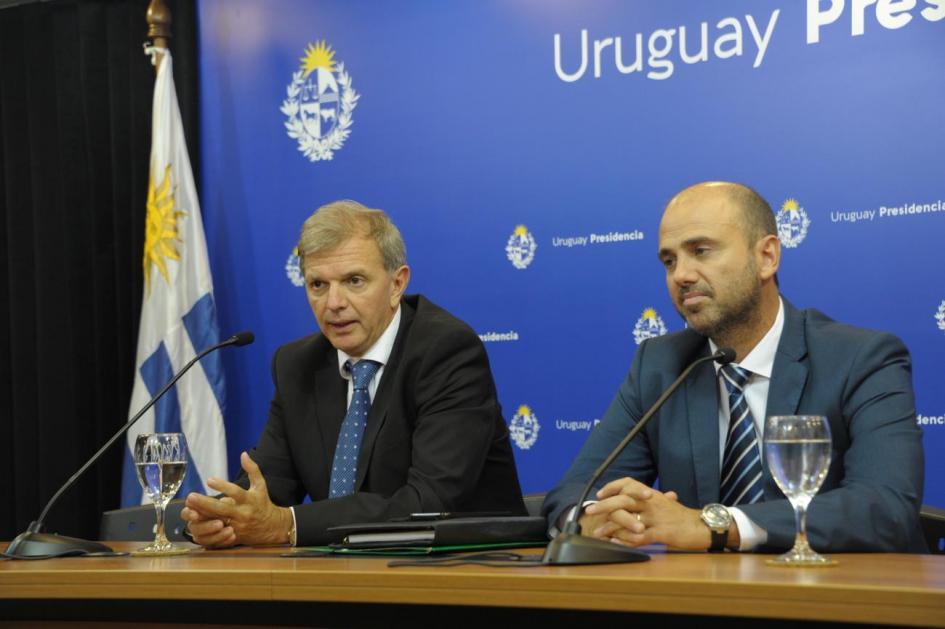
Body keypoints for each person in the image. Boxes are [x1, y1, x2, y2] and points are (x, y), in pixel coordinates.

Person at [543, 181, 926, 553]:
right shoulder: (659, 365)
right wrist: (592, 517)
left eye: (701, 250)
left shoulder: (861, 358)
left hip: (839, 600)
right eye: (669, 260)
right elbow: (576, 490)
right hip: (707, 601)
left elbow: (884, 507)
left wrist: (714, 525)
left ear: (767, 257)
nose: (681, 275)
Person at [182, 200, 525, 547]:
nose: (333, 303)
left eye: (354, 281)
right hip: (342, 578)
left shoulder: (446, 351)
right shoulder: (297, 364)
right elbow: (269, 484)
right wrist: (223, 516)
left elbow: (428, 502)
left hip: (461, 573)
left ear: (396, 284)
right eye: (318, 285)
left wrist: (288, 524)